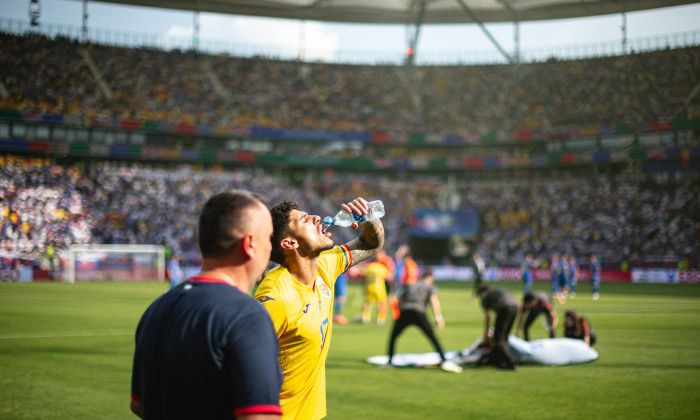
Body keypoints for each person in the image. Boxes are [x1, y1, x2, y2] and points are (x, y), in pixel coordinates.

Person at [130, 190, 282, 419]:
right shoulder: (246, 315)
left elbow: (139, 404)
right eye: (268, 238)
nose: (270, 249)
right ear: (250, 243)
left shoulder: (157, 308)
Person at [254, 197, 384, 420]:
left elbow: (371, 244)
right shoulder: (275, 297)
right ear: (290, 243)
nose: (315, 217)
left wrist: (368, 219)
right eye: (304, 220)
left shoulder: (325, 264)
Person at [385, 269, 462, 373]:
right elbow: (434, 301)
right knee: (432, 337)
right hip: (419, 313)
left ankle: (390, 362)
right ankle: (444, 360)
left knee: (394, 337)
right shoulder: (430, 286)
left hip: (405, 312)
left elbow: (400, 301)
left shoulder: (411, 285)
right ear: (431, 278)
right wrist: (438, 318)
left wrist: (398, 316)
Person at [476, 284, 519, 370]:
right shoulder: (496, 292)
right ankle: (500, 360)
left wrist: (486, 333)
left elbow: (487, 318)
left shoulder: (485, 297)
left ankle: (511, 362)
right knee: (504, 337)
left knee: (498, 338)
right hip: (515, 307)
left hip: (505, 308)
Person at [361, 257, 392, 325]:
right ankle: (381, 318)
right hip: (379, 288)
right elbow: (389, 277)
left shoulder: (369, 267)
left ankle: (365, 317)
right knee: (382, 302)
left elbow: (363, 274)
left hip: (369, 287)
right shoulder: (381, 267)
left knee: (368, 302)